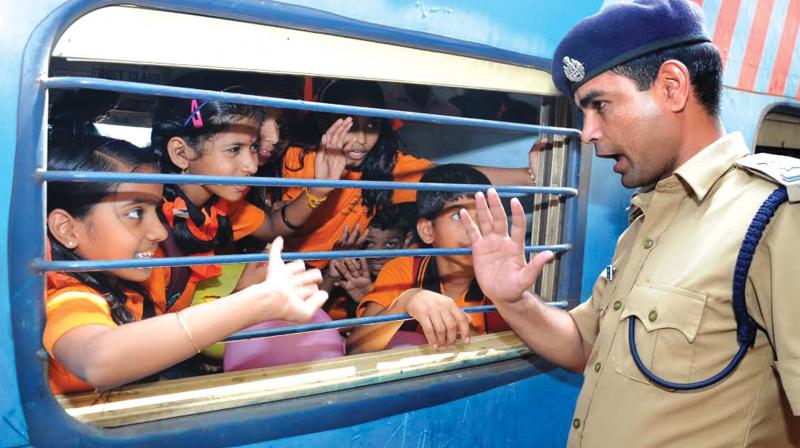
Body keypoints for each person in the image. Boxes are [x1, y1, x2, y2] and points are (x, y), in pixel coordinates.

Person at [458, 1, 800, 446]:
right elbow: (585, 343)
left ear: (673, 87)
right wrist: (514, 300)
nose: (588, 132)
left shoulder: (774, 216)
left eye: (600, 105)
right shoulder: (649, 217)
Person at [43, 135, 326, 394]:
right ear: (67, 230)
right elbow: (98, 360)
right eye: (136, 213)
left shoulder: (131, 286)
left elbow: (174, 332)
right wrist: (257, 303)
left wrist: (242, 295)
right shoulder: (68, 297)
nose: (160, 232)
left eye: (155, 211)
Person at [280, 79, 539, 270]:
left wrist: (529, 175)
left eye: (371, 126)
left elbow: (453, 177)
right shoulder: (299, 157)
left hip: (339, 275)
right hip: (286, 268)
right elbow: (283, 224)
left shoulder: (386, 167)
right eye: (349, 126)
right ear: (325, 123)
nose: (361, 140)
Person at [347, 165, 508, 354]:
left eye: (483, 215)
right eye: (458, 215)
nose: (475, 228)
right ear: (427, 231)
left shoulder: (503, 279)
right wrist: (405, 302)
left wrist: (466, 335)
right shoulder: (404, 270)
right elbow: (355, 349)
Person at [322, 202, 417, 321]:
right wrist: (331, 278)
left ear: (407, 240)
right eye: (369, 243)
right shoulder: (348, 274)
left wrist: (368, 297)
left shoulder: (414, 276)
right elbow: (308, 319)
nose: (378, 255)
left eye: (390, 244)